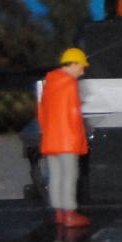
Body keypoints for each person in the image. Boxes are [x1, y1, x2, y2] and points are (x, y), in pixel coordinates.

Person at [40, 47, 91, 228]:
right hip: (67, 140)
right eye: (81, 67)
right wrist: (79, 138)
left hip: (50, 139)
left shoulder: (50, 82)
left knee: (55, 176)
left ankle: (59, 213)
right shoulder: (69, 84)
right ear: (73, 64)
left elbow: (42, 111)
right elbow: (73, 115)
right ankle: (69, 214)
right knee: (70, 175)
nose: (82, 71)